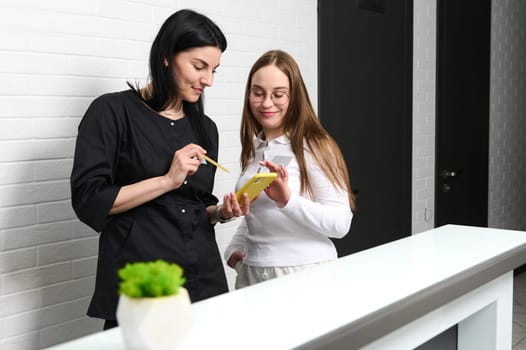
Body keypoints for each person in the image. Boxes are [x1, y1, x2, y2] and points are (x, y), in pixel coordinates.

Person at [70, 9, 247, 330]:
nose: (208, 80)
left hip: (202, 276)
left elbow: (196, 205)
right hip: (143, 282)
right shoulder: (111, 112)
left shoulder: (205, 128)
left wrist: (220, 212)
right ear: (166, 57)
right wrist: (167, 179)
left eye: (214, 70)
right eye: (199, 66)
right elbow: (89, 201)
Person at [224, 50, 355, 288]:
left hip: (305, 275)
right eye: (258, 93)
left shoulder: (314, 144)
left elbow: (340, 223)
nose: (266, 103)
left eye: (278, 94)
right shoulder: (256, 147)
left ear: (294, 97)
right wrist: (236, 247)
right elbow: (258, 212)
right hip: (253, 275)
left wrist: (288, 201)